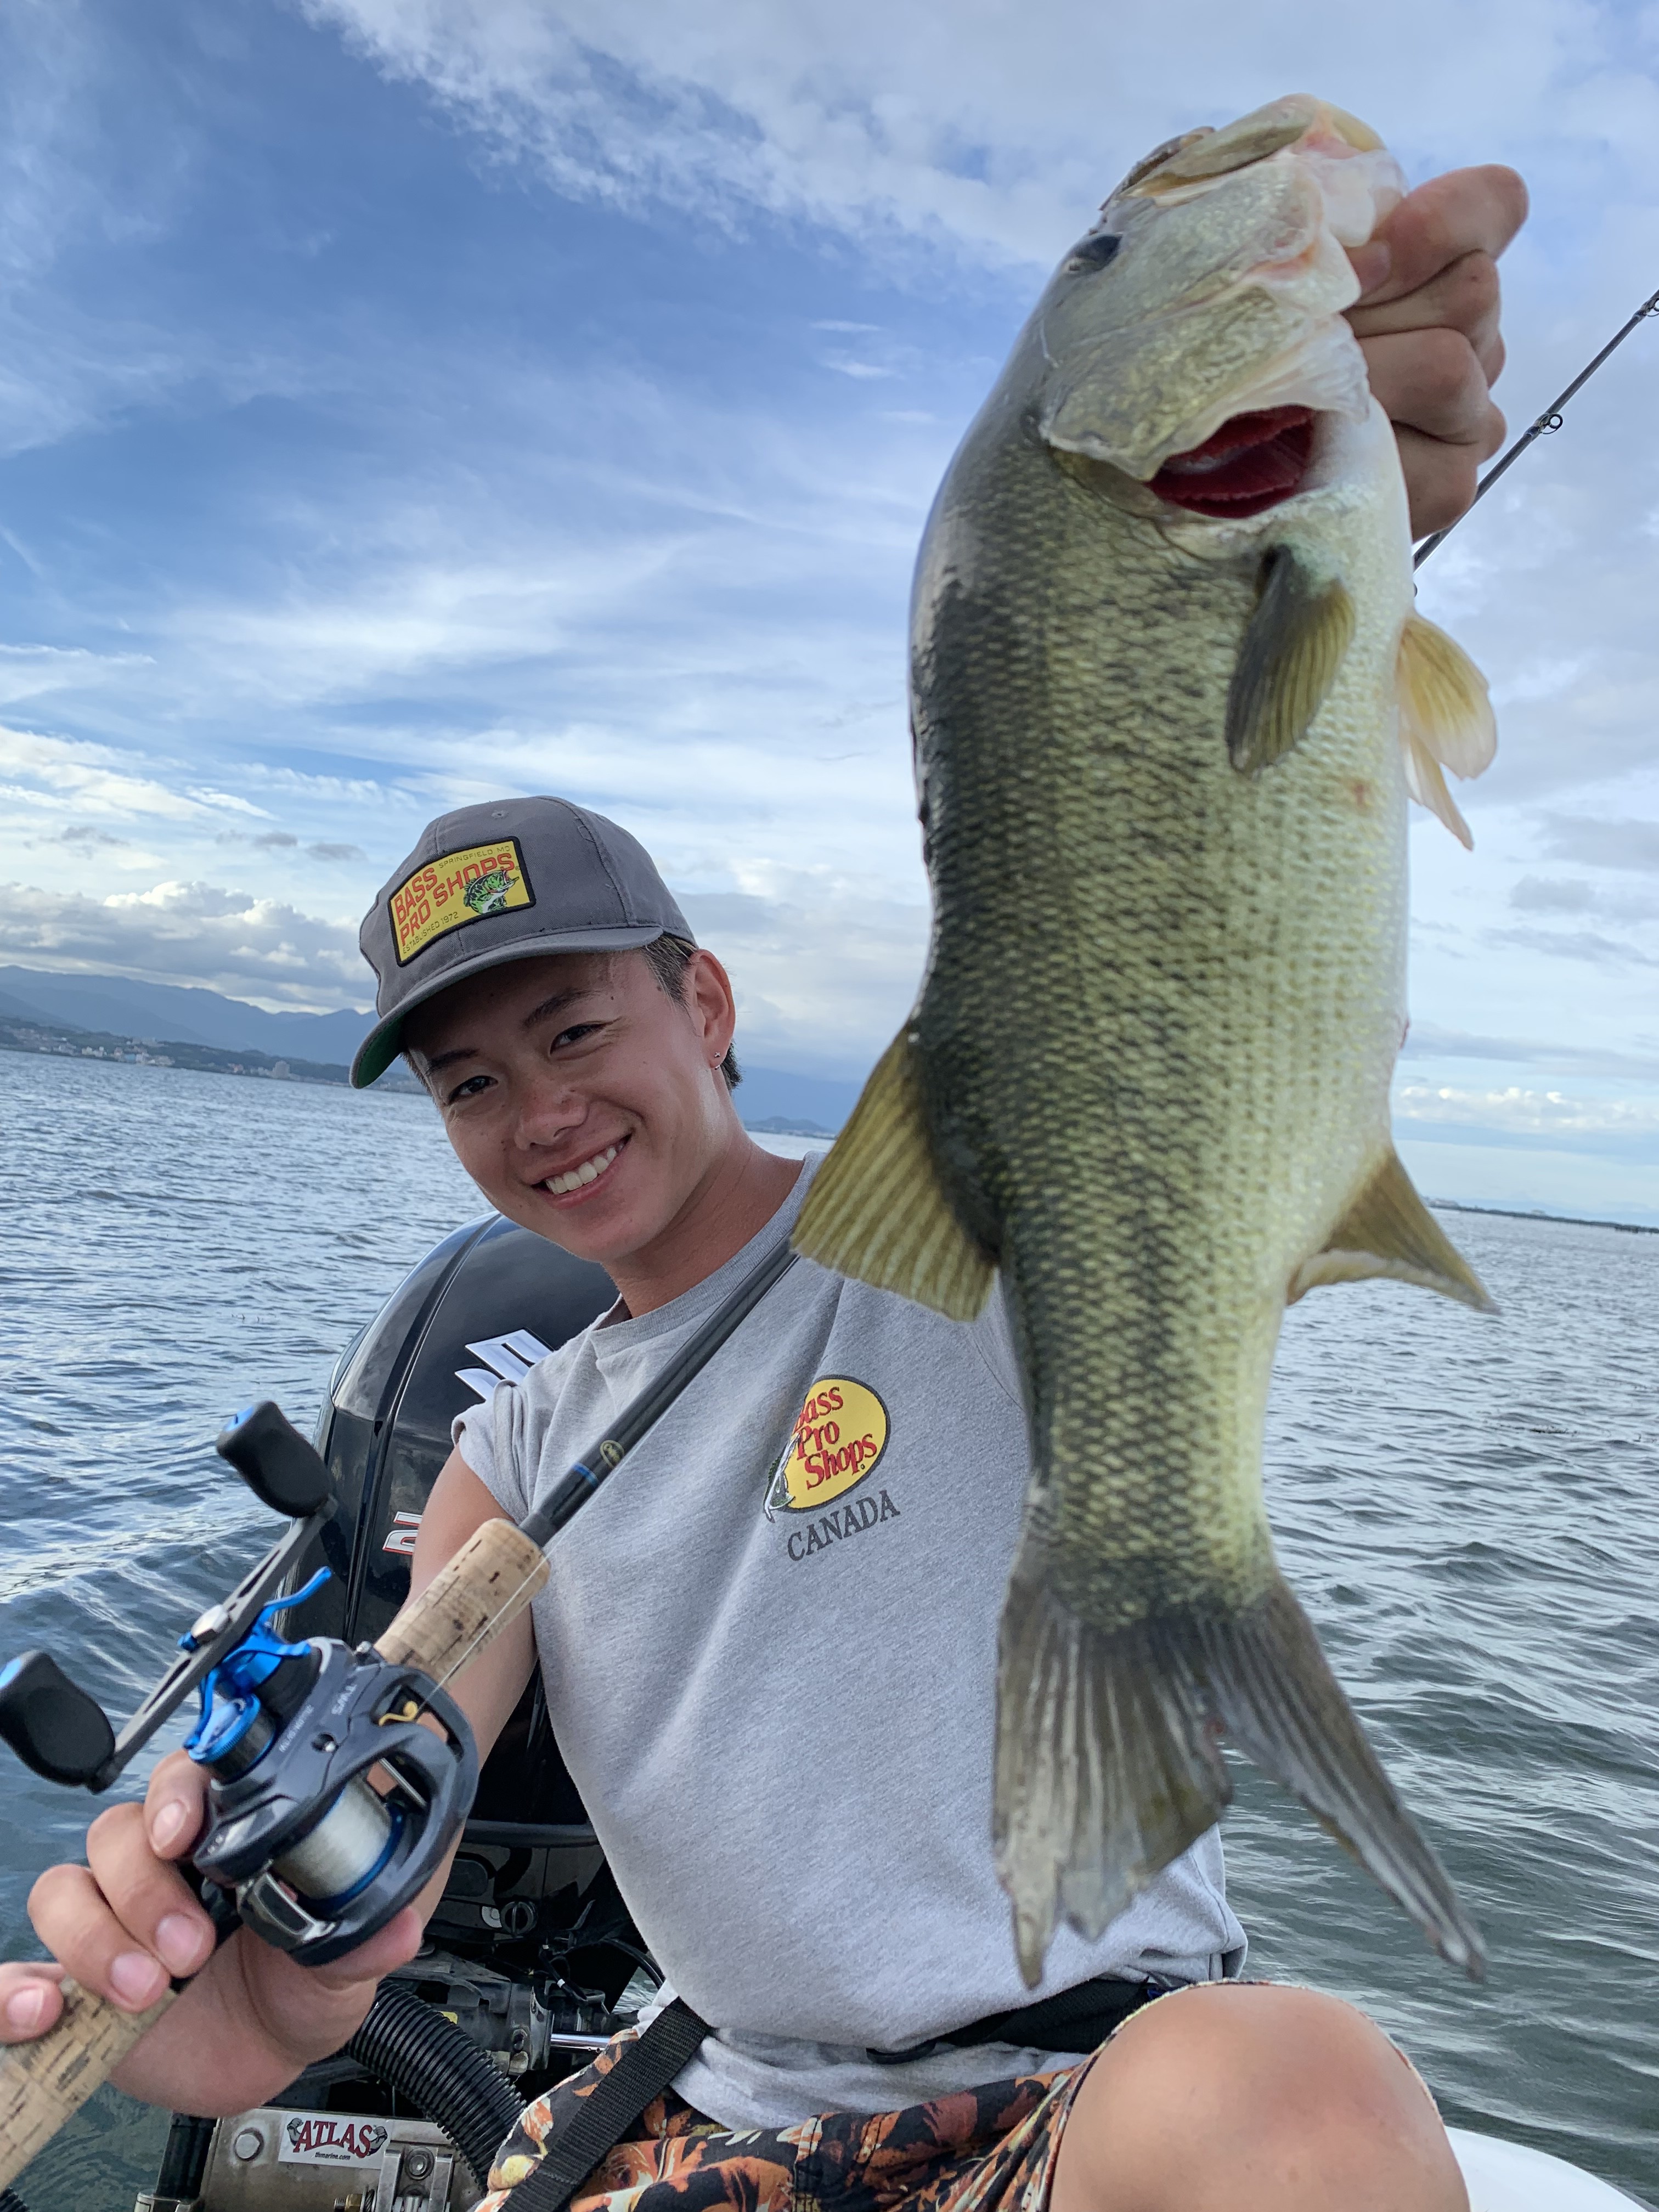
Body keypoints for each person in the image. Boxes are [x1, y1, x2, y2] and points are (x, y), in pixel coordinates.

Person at [0, 164, 1527, 2212]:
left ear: (705, 1003)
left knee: (1294, 2088)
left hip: (1098, 2099)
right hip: (720, 2130)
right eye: (469, 1081)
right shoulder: (507, 1459)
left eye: (573, 1032)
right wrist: (265, 1995)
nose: (538, 1113)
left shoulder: (963, 1194)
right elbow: (396, 1800)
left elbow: (1154, 904)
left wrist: (1299, 516)